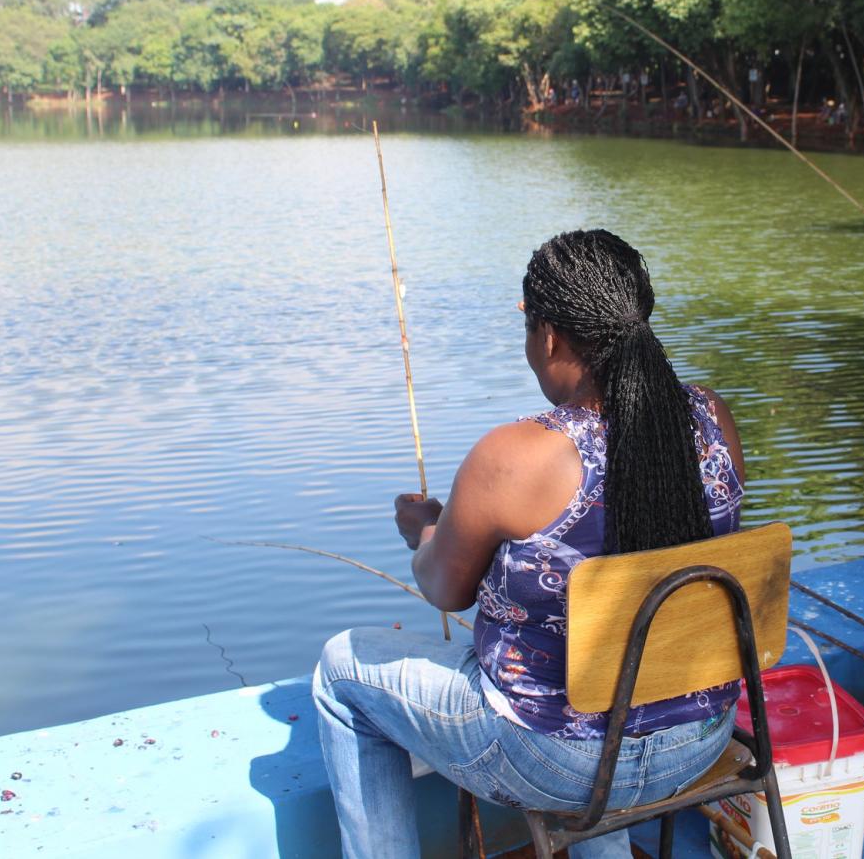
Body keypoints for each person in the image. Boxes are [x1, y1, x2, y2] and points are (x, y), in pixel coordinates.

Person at [313, 230, 747, 859]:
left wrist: (426, 531)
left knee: (340, 669)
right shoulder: (712, 416)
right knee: (602, 672)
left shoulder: (516, 456)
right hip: (699, 740)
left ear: (548, 337)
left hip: (557, 762)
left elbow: (444, 588)